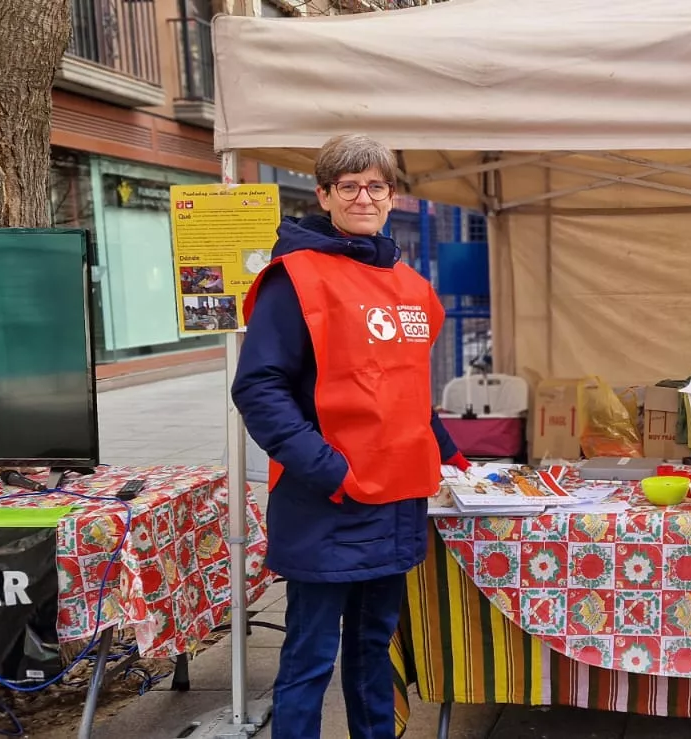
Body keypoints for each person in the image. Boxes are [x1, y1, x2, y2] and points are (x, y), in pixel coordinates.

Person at [231, 133, 471, 739]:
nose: (363, 197)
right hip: (326, 501)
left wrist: (452, 457)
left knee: (372, 651)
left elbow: (408, 391)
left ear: (392, 196)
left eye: (376, 186)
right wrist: (330, 470)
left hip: (395, 501)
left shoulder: (409, 285)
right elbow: (259, 388)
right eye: (348, 186)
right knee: (310, 655)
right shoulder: (295, 278)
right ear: (325, 194)